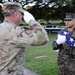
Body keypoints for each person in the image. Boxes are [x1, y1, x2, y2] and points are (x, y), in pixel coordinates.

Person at [0, 2, 49, 75]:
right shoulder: (15, 31)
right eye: (21, 15)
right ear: (16, 14)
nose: (22, 18)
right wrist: (31, 21)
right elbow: (43, 39)